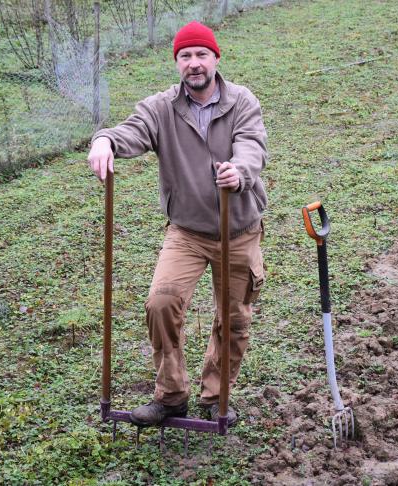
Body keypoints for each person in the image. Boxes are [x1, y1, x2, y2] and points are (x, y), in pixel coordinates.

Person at [87, 21, 267, 427]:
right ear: (177, 63)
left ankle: (215, 396)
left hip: (237, 229)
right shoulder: (161, 107)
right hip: (186, 232)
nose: (194, 64)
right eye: (185, 56)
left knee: (233, 320)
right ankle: (171, 396)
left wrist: (239, 172)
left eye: (201, 54)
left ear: (215, 58)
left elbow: (252, 145)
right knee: (161, 304)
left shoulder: (241, 101)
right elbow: (132, 131)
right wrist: (105, 140)